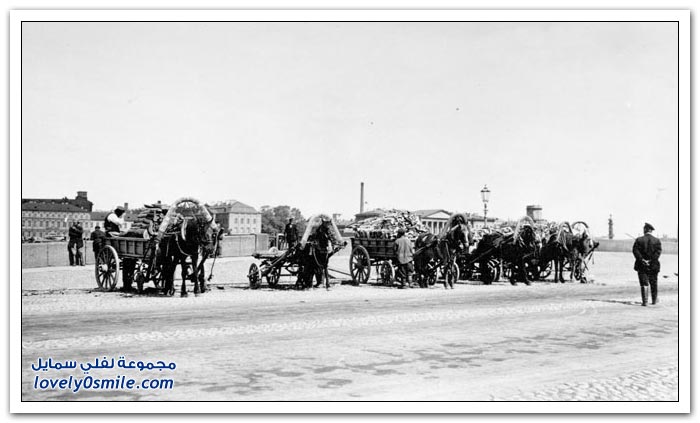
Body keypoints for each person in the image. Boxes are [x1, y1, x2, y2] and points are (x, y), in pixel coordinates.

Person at [633, 222, 662, 306]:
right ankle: (654, 300)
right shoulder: (657, 240)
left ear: (645, 229)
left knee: (644, 283)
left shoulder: (639, 240)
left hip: (641, 265)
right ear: (651, 230)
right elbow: (658, 252)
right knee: (653, 282)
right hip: (653, 265)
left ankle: (645, 302)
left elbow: (635, 251)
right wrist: (651, 260)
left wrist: (642, 260)